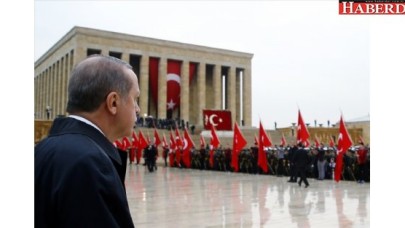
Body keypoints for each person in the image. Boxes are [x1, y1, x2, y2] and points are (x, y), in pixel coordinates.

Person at [35, 55, 139, 228]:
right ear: (113, 102)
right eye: (135, 98)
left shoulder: (41, 149)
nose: (138, 108)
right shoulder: (91, 163)